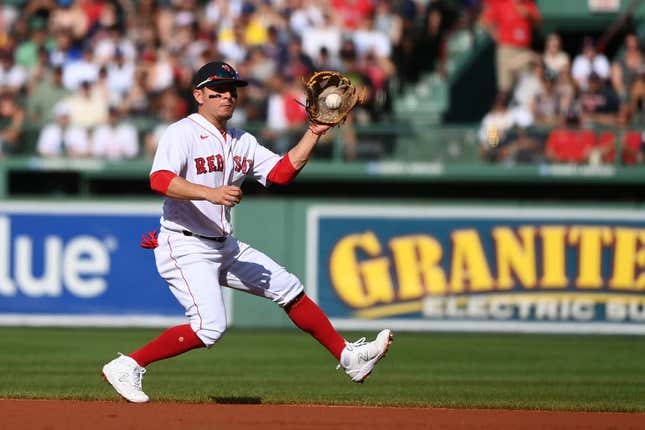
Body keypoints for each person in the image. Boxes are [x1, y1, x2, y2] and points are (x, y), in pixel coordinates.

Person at [101, 61, 393, 403]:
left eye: (231, 90)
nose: (227, 96)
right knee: (210, 327)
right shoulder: (181, 132)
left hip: (224, 245)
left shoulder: (242, 140)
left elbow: (281, 174)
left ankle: (348, 358)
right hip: (185, 244)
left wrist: (312, 133)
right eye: (218, 90)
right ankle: (128, 365)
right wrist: (210, 193)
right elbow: (160, 179)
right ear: (198, 95)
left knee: (288, 287)